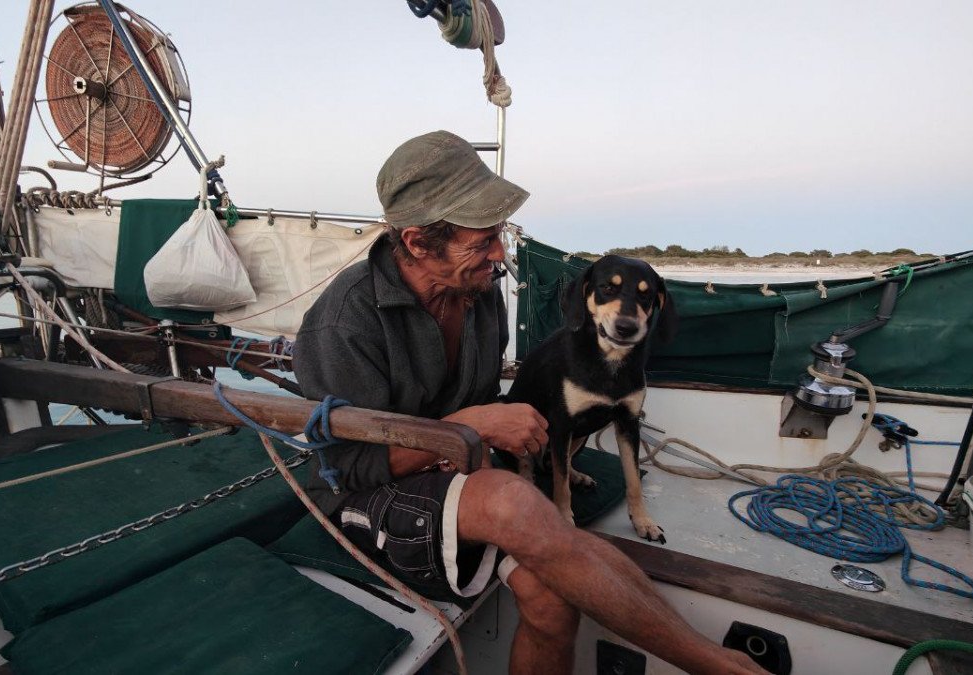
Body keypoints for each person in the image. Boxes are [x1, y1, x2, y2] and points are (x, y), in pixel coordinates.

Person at [293, 130, 765, 675]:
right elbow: (348, 470)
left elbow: (478, 400)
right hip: (361, 498)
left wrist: (474, 436)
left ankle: (714, 660)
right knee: (513, 501)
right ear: (420, 243)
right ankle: (714, 664)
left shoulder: (479, 290)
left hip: (458, 472)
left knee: (553, 595)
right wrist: (468, 427)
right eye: (482, 241)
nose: (499, 254)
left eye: (498, 235)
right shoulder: (343, 324)